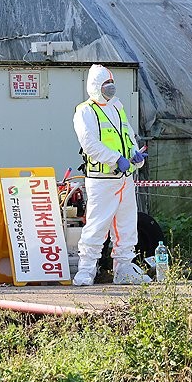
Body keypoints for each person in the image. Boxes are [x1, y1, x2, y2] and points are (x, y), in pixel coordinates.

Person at [72, 64, 151, 286]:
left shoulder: (117, 107)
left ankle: (124, 268)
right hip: (101, 180)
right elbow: (90, 144)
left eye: (111, 83)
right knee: (97, 225)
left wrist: (136, 156)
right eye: (106, 84)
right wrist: (116, 159)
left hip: (125, 177)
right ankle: (86, 270)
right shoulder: (85, 111)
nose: (110, 88)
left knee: (126, 225)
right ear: (96, 86)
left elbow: (128, 136)